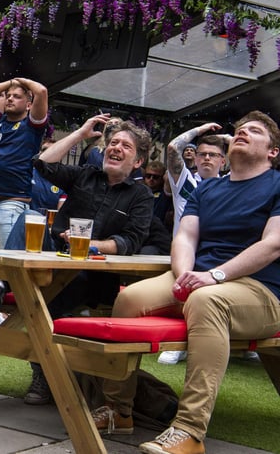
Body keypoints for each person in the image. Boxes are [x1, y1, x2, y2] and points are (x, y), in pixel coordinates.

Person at [91, 111, 280, 454]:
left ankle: (190, 431)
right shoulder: (208, 188)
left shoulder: (278, 185)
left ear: (273, 152)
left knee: (207, 301)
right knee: (129, 299)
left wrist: (213, 277)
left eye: (253, 131)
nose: (242, 133)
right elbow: (185, 237)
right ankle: (119, 411)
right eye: (239, 129)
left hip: (258, 290)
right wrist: (182, 276)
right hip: (198, 279)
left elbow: (272, 244)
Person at [24, 114, 153, 405]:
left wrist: (91, 246)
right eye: (113, 142)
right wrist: (81, 133)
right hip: (52, 256)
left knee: (46, 299)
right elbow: (43, 163)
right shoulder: (85, 174)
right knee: (28, 218)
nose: (115, 147)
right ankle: (1, 284)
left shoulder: (141, 195)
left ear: (138, 162)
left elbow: (131, 241)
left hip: (93, 275)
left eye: (125, 146)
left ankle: (44, 374)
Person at [158, 123, 229, 365]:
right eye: (202, 154)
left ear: (224, 161)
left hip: (217, 257)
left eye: (214, 155)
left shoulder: (232, 185)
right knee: (183, 296)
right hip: (184, 257)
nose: (207, 158)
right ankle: (180, 344)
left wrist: (228, 138)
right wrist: (201, 130)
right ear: (196, 158)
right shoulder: (185, 182)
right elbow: (172, 148)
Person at [0, 77, 48, 249]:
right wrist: (10, 83)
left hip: (11, 203)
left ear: (29, 105)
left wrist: (21, 80)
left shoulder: (32, 125)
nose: (9, 98)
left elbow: (42, 91)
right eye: (8, 95)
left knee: (6, 260)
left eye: (16, 96)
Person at [144, 160, 171, 225]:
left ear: (162, 178)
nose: (151, 179)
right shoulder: (139, 192)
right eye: (148, 176)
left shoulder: (166, 194)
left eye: (155, 177)